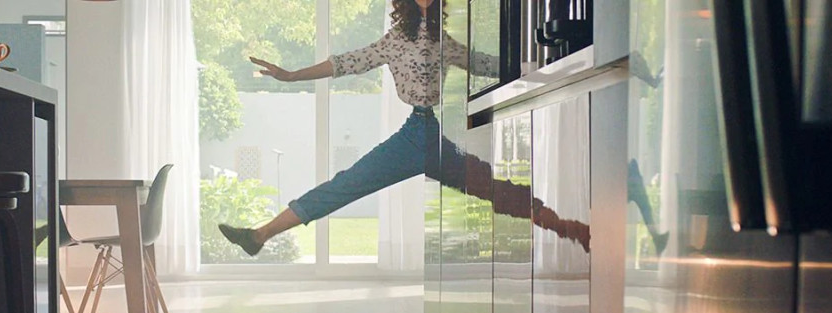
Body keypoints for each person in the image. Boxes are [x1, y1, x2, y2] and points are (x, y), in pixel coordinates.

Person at [219, 0, 590, 255]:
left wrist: (547, 63)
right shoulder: (396, 41)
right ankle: (260, 235)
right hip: (412, 136)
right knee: (343, 186)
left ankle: (571, 229)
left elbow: (485, 63)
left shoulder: (445, 42)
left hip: (432, 138)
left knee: (496, 190)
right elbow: (347, 62)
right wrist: (292, 76)